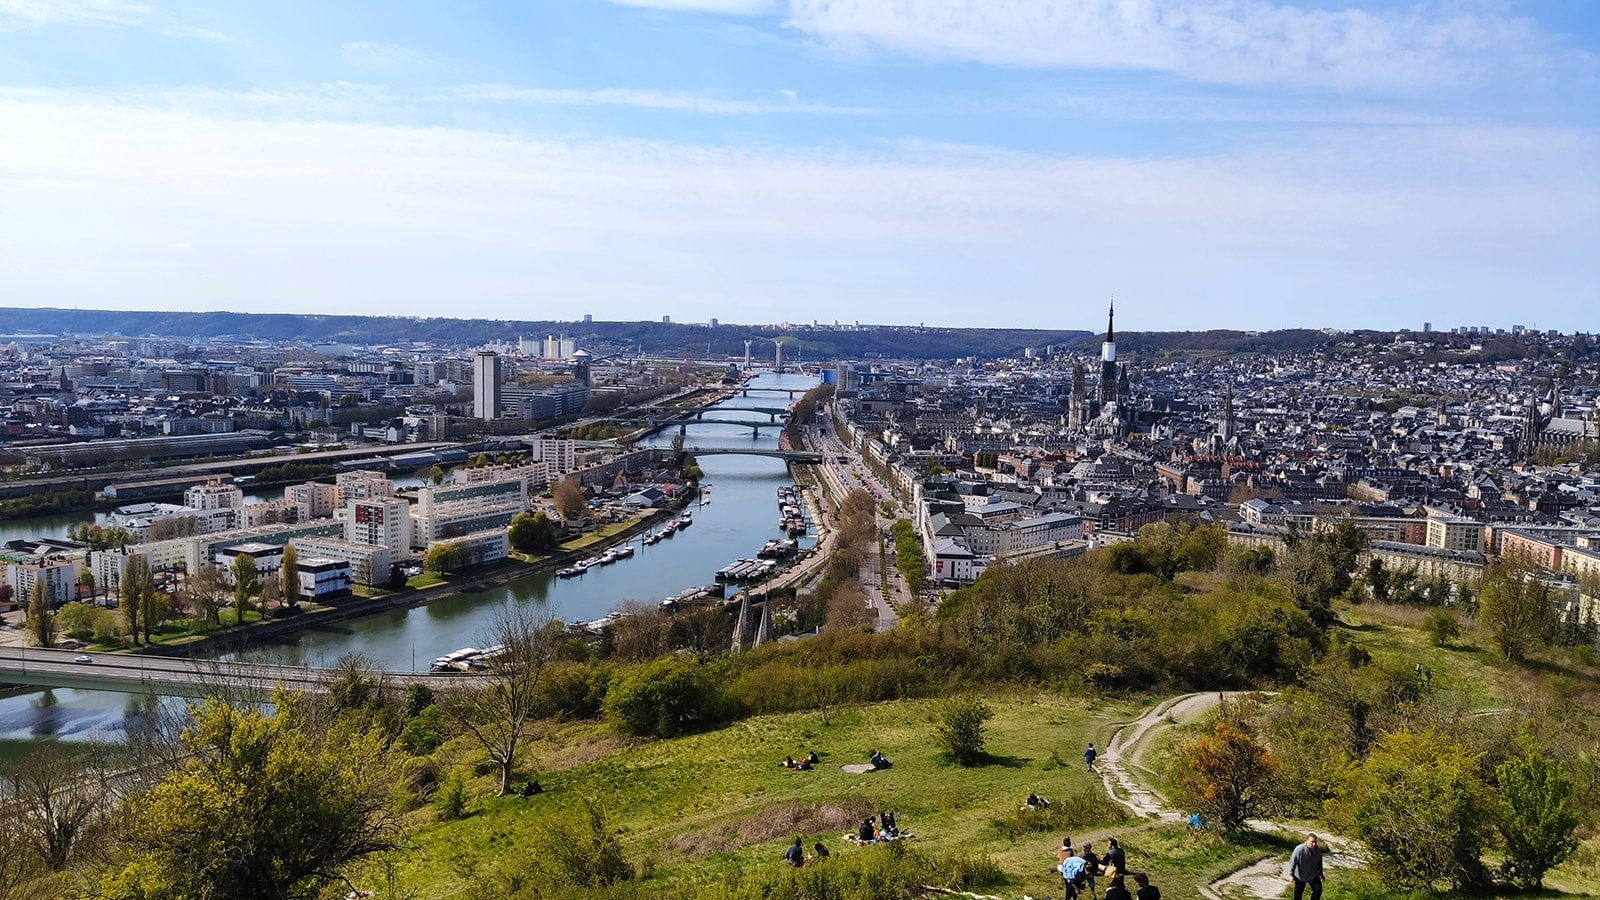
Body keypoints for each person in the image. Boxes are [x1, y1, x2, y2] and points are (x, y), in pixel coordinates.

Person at [1288, 833, 1324, 900]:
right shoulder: (1299, 849)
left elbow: (1319, 862)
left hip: (1313, 875)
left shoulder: (1318, 850)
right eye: (1312, 842)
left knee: (1318, 890)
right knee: (1298, 895)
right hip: (1300, 876)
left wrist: (1321, 873)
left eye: (1315, 842)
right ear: (1306, 841)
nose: (1314, 844)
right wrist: (1291, 875)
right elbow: (1293, 862)